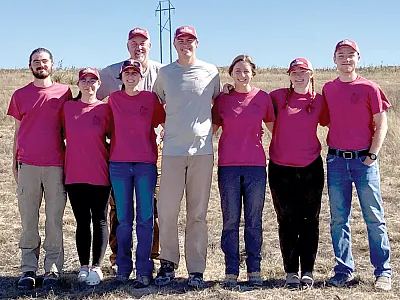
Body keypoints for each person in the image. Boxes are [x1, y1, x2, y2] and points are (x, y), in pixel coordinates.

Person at [153, 25, 221, 288]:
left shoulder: (210, 71)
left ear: (197, 42)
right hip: (171, 152)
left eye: (190, 39)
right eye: (180, 40)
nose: (185, 44)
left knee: (197, 213)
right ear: (174, 43)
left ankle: (196, 269)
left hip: (202, 153)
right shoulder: (165, 73)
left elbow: (217, 104)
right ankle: (168, 263)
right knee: (167, 210)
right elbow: (157, 103)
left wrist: (208, 132)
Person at [324, 39, 392, 291]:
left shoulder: (370, 88)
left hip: (364, 162)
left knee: (374, 218)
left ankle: (383, 271)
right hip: (336, 161)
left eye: (351, 55)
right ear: (334, 59)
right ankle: (343, 270)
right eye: (341, 55)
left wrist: (372, 155)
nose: (346, 59)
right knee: (338, 219)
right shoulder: (329, 89)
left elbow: (381, 124)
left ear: (358, 58)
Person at [97, 27, 163, 270]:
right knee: (121, 214)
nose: (139, 46)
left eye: (143, 42)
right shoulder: (112, 82)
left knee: (149, 211)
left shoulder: (160, 74)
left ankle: (149, 262)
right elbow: (94, 105)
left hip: (150, 156)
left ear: (150, 46)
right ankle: (120, 262)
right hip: (120, 160)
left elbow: (169, 114)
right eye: (134, 42)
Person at [7, 48, 72, 290]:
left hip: (56, 164)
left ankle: (53, 268)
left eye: (45, 61)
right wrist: (14, 162)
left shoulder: (64, 93)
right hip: (28, 165)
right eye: (36, 61)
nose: (41, 65)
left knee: (54, 220)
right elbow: (17, 131)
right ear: (30, 65)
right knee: (28, 221)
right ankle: (28, 269)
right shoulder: (20, 95)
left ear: (52, 64)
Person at [211, 55, 275, 288]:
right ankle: (231, 270)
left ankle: (254, 269)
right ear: (231, 73)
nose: (242, 75)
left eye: (246, 71)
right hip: (228, 166)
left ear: (253, 73)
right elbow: (211, 132)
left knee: (254, 220)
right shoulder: (222, 100)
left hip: (256, 167)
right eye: (237, 71)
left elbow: (274, 131)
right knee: (230, 220)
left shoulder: (262, 98)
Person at [268, 58, 329, 289]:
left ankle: (308, 271)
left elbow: (334, 122)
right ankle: (291, 271)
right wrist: (228, 88)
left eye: (303, 71)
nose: (299, 75)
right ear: (289, 75)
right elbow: (253, 100)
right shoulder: (277, 96)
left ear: (311, 74)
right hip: (280, 168)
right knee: (286, 220)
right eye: (295, 71)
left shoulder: (320, 101)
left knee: (310, 220)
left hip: (311, 167)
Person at [108, 59, 165, 288]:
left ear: (141, 76)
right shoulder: (112, 100)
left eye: (135, 72)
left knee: (146, 218)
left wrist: (160, 138)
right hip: (119, 164)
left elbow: (163, 122)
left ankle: (144, 269)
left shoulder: (150, 99)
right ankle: (123, 267)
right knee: (123, 219)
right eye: (127, 73)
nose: (131, 76)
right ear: (121, 77)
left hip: (145, 164)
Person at [62, 68, 112, 285]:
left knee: (100, 219)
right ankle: (83, 266)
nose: (88, 84)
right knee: (82, 221)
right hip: (73, 173)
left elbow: (114, 138)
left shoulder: (106, 109)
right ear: (78, 83)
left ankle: (97, 266)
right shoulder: (68, 108)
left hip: (100, 172)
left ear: (99, 84)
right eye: (84, 80)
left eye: (93, 80)